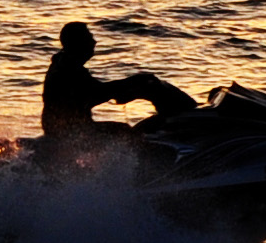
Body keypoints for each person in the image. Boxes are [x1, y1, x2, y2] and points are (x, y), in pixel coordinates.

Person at [39, 20, 196, 149]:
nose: (94, 41)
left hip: (69, 129)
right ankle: (140, 175)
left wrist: (131, 88)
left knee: (131, 130)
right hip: (70, 132)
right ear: (77, 43)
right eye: (89, 38)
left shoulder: (65, 63)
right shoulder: (68, 70)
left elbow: (97, 91)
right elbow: (97, 92)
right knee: (124, 133)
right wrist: (132, 82)